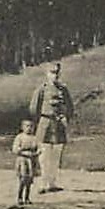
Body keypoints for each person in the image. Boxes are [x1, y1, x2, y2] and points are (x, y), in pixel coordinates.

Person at [29, 61, 74, 192]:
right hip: (45, 124)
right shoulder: (41, 89)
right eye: (52, 73)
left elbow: (70, 106)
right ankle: (44, 183)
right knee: (44, 155)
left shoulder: (63, 89)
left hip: (58, 124)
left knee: (56, 155)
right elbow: (34, 108)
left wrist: (65, 118)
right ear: (47, 74)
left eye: (57, 73)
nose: (55, 76)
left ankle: (52, 183)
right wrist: (39, 123)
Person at [11, 118, 40, 207]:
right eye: (27, 126)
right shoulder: (19, 137)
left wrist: (36, 153)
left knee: (29, 179)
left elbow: (39, 148)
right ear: (22, 127)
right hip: (22, 160)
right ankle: (20, 197)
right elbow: (15, 149)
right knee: (23, 178)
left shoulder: (34, 138)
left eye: (31, 126)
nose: (29, 128)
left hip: (32, 160)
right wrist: (23, 151)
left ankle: (27, 197)